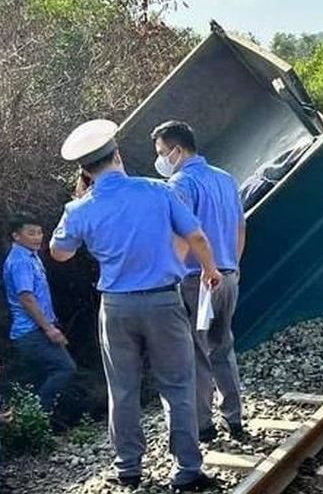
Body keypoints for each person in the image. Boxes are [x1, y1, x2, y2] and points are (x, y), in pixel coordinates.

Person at [49, 119, 222, 492]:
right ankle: (187, 470)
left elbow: (59, 253)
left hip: (116, 308)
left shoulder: (78, 210)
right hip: (163, 302)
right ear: (118, 155)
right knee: (177, 385)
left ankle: (128, 468)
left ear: (85, 171)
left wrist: (80, 207)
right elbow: (195, 234)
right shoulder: (157, 191)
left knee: (123, 389)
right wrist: (210, 270)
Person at [151, 120, 246, 442]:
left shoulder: (180, 183)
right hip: (228, 275)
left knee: (196, 353)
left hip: (197, 279)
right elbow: (240, 228)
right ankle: (235, 419)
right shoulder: (226, 179)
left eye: (163, 152)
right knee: (223, 347)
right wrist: (233, 265)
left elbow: (183, 236)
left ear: (177, 150)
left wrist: (165, 275)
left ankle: (204, 425)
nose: (162, 159)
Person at [3, 213, 76, 414]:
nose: (38, 237)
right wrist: (49, 329)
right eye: (31, 233)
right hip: (31, 331)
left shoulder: (30, 257)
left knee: (36, 377)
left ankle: (28, 421)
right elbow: (26, 297)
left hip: (35, 331)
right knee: (64, 368)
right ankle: (37, 417)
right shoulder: (20, 261)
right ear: (16, 236)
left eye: (40, 232)